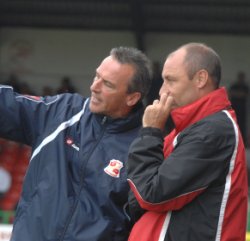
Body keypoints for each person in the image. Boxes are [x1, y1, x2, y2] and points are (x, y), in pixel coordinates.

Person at [0, 46, 152, 241]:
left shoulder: (143, 148)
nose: (94, 87)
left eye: (107, 84)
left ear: (132, 98)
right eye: (97, 76)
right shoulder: (61, 112)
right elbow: (8, 105)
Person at [127, 43, 248, 241]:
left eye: (170, 80)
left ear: (201, 79)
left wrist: (150, 132)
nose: (161, 92)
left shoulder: (214, 131)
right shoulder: (186, 130)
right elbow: (136, 196)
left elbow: (150, 193)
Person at [229, 71, 249, 146]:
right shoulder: (234, 85)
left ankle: (242, 142)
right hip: (234, 109)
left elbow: (244, 95)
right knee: (233, 124)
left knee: (242, 126)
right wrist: (239, 94)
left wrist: (237, 94)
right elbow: (231, 93)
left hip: (243, 110)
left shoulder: (245, 87)